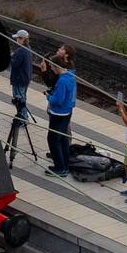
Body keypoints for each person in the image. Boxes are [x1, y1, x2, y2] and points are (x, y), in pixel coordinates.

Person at [42, 45, 76, 178]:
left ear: (56, 67)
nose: (53, 71)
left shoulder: (62, 81)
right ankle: (64, 165)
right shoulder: (71, 77)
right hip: (67, 112)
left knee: (53, 140)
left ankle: (60, 168)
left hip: (59, 113)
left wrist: (48, 96)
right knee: (62, 139)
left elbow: (58, 100)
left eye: (53, 68)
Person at [9, 30, 32, 106]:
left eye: (17, 38)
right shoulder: (28, 48)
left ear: (22, 39)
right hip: (25, 78)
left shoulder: (21, 50)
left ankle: (23, 117)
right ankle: (23, 116)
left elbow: (14, 64)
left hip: (19, 79)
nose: (16, 40)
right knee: (23, 98)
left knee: (19, 101)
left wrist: (10, 58)